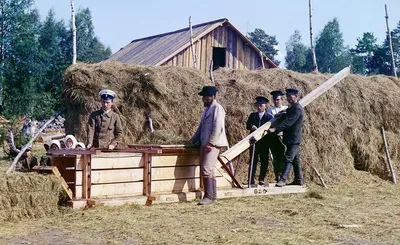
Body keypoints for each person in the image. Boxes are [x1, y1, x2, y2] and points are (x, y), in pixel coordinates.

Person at [190, 86, 228, 205]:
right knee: (208, 169)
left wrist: (211, 143)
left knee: (207, 168)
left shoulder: (217, 108)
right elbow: (201, 128)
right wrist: (192, 140)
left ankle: (208, 196)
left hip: (213, 144)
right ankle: (212, 197)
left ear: (212, 97)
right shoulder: (207, 110)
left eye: (205, 97)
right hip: (205, 142)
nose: (203, 99)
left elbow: (218, 127)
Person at [268, 88, 304, 187]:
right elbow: (287, 115)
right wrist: (282, 114)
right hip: (291, 138)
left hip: (294, 139)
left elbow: (289, 122)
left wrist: (276, 129)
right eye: (287, 96)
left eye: (290, 96)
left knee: (288, 158)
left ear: (296, 96)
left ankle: (282, 180)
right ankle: (299, 180)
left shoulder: (297, 108)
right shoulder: (292, 108)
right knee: (295, 160)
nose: (288, 98)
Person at [245, 96, 273, 186]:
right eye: (258, 105)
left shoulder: (269, 117)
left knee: (264, 160)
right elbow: (248, 124)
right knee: (253, 160)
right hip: (254, 142)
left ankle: (261, 179)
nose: (259, 107)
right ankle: (250, 179)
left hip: (265, 142)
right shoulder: (253, 115)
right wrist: (252, 126)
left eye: (261, 105)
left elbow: (271, 128)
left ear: (265, 106)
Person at [266, 90, 288, 182]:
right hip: (273, 136)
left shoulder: (286, 109)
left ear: (281, 99)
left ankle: (283, 176)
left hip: (283, 136)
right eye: (275, 99)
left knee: (283, 156)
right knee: (275, 157)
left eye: (278, 99)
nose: (276, 101)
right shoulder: (270, 110)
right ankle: (277, 176)